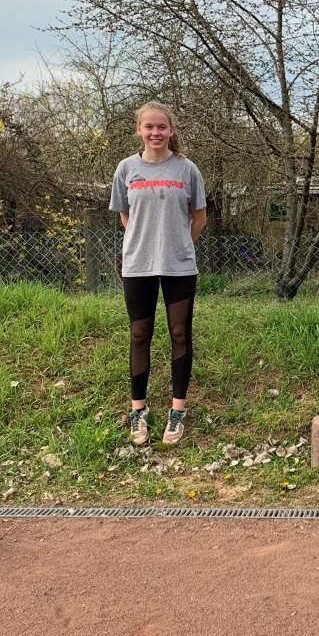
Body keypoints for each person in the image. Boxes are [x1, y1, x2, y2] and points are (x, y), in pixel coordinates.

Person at [109, 102, 207, 446]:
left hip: (179, 265)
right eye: (149, 127)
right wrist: (146, 244)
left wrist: (178, 245)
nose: (155, 132)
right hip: (138, 266)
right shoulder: (126, 168)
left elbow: (199, 218)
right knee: (140, 334)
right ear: (139, 130)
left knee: (180, 332)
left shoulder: (187, 169)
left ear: (171, 130)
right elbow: (126, 216)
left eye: (161, 127)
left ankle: (177, 410)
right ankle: (139, 409)